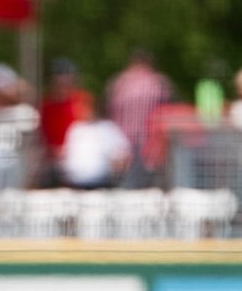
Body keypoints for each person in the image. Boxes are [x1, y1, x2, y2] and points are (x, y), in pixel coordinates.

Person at [105, 49, 173, 187]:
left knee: (125, 188)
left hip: (121, 146)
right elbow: (170, 112)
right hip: (150, 146)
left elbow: (107, 112)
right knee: (149, 191)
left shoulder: (118, 83)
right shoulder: (159, 83)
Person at [38, 59, 94, 186]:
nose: (62, 80)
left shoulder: (82, 101)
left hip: (79, 160)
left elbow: (90, 132)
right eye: (58, 76)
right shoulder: (45, 106)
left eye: (66, 76)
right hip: (53, 161)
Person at [60, 97, 132, 189]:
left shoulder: (108, 128)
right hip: (74, 183)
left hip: (101, 183)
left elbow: (123, 154)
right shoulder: (75, 129)